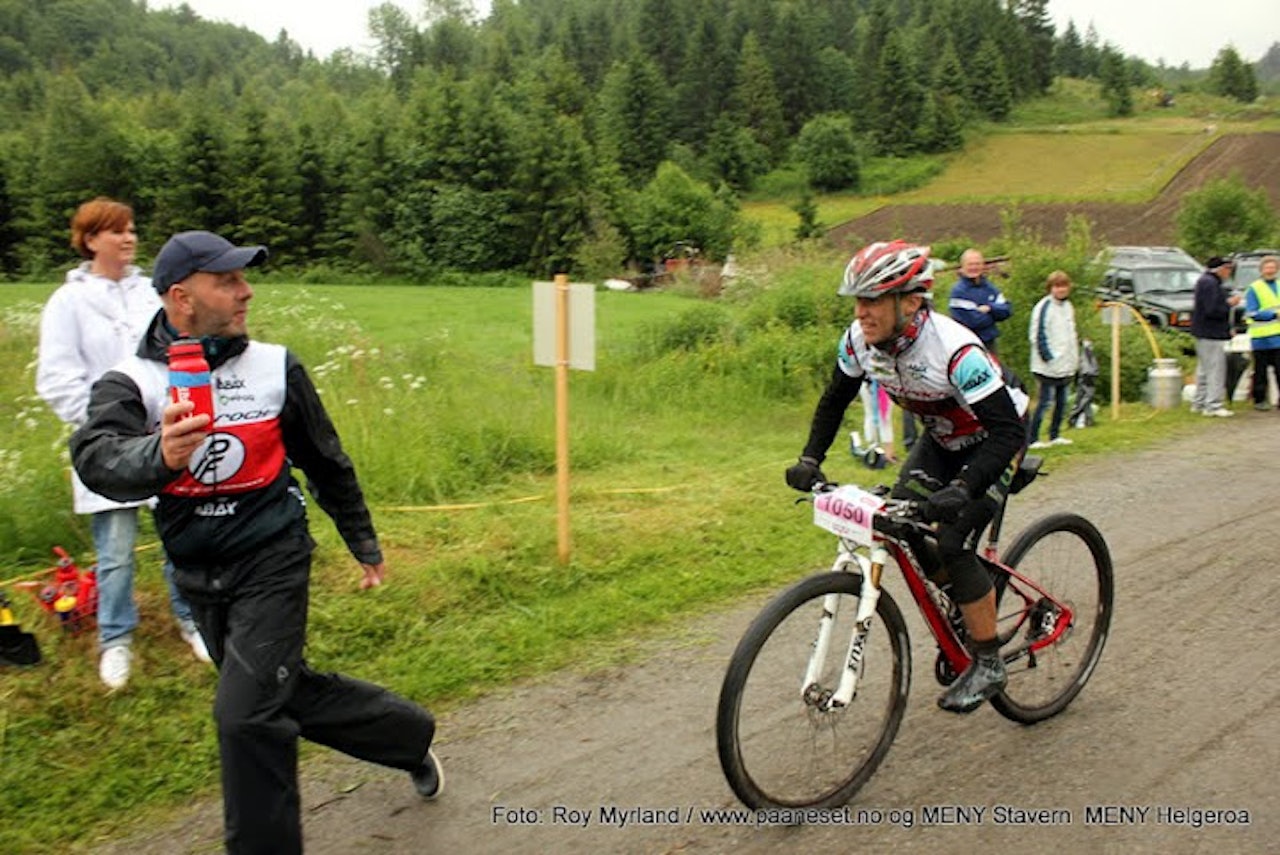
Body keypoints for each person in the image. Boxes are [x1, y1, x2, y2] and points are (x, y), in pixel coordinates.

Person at [69, 231, 442, 854]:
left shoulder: (274, 365)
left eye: (245, 279)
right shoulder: (134, 380)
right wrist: (156, 454)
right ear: (182, 298)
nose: (246, 292)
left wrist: (362, 540)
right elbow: (95, 455)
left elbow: (325, 461)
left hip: (273, 560)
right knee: (279, 690)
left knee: (244, 716)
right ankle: (407, 735)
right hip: (196, 572)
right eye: (229, 281)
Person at [784, 240, 1028, 714]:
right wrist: (811, 459)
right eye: (857, 300)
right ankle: (969, 599)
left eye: (872, 300)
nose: (861, 312)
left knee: (953, 540)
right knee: (901, 523)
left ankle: (989, 661)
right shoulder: (859, 340)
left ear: (911, 301)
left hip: (996, 442)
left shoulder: (956, 351)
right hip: (941, 439)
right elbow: (835, 399)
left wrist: (962, 489)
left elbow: (1005, 433)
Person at [35, 197, 209, 690]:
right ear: (91, 239)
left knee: (180, 537)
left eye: (132, 229)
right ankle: (116, 639)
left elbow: (174, 353)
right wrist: (103, 427)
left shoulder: (150, 295)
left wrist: (174, 414)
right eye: (117, 231)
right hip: (110, 445)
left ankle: (193, 622)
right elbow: (57, 379)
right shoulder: (67, 303)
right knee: (115, 550)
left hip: (165, 436)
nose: (129, 238)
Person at [1026, 270, 1079, 449]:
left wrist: (1072, 359)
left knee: (1062, 402)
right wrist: (1049, 358)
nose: (1061, 290)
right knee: (1044, 402)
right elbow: (1038, 336)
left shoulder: (1068, 307)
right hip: (1047, 365)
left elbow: (1070, 335)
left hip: (1066, 363)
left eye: (1064, 286)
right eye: (1057, 286)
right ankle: (1032, 438)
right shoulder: (1044, 307)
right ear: (1050, 288)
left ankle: (1055, 434)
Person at [1189, 256, 1242, 417]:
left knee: (1204, 370)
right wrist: (1229, 304)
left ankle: (1199, 402)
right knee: (1216, 370)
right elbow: (1213, 310)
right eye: (1227, 269)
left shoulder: (1206, 281)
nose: (1229, 272)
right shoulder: (1210, 284)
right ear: (1220, 269)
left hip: (1204, 332)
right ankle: (1213, 405)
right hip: (1212, 333)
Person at [948, 248, 1013, 355]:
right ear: (963, 267)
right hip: (967, 344)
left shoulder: (990, 288)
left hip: (990, 344)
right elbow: (972, 321)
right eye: (970, 264)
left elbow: (1006, 311)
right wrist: (994, 316)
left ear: (983, 266)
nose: (974, 267)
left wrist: (989, 308)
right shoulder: (958, 291)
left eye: (977, 264)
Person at [1244, 254, 1280, 411]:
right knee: (1260, 371)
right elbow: (1251, 313)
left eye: (1273, 267)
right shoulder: (1254, 288)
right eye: (1267, 268)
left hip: (1278, 337)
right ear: (1261, 270)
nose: (1270, 270)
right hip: (1261, 337)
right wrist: (1273, 315)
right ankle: (1259, 400)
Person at [859, 379, 898, 464]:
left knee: (883, 418)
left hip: (879, 385)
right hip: (872, 384)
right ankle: (874, 449)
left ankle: (884, 451)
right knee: (874, 416)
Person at [1068, 339, 1099, 428]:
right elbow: (1087, 368)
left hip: (1084, 378)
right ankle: (1073, 418)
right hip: (1087, 379)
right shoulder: (1086, 353)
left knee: (1084, 400)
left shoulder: (1085, 353)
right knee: (1085, 400)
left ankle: (1088, 420)